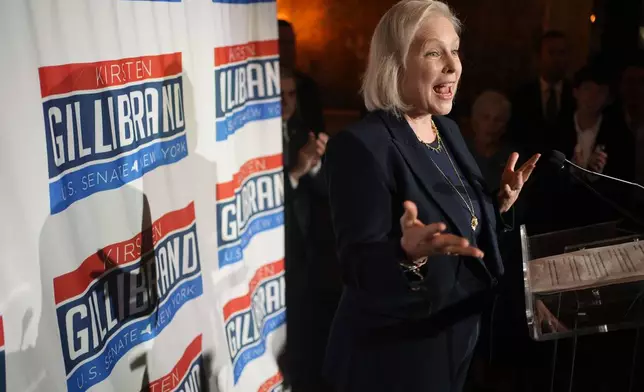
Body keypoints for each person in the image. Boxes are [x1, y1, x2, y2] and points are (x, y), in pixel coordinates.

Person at [322, 1, 540, 391]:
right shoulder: (360, 147)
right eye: (434, 52)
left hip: (454, 344)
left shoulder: (449, 131)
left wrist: (497, 205)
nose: (453, 65)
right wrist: (408, 254)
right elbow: (357, 267)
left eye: (454, 50)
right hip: (393, 360)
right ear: (395, 63)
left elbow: (461, 223)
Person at [278, 67, 340, 392]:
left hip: (306, 250)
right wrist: (295, 173)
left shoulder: (303, 130)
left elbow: (325, 193)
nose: (286, 102)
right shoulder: (255, 136)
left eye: (291, 94)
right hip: (275, 246)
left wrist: (317, 166)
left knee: (305, 331)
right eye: (279, 94)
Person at [510, 30, 575, 155]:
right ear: (539, 56)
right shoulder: (522, 95)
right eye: (551, 53)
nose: (557, 59)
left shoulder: (575, 95)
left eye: (561, 53)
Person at [278, 19, 326, 134]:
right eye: (282, 43)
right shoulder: (259, 91)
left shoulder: (308, 87)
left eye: (291, 42)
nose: (288, 48)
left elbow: (318, 129)